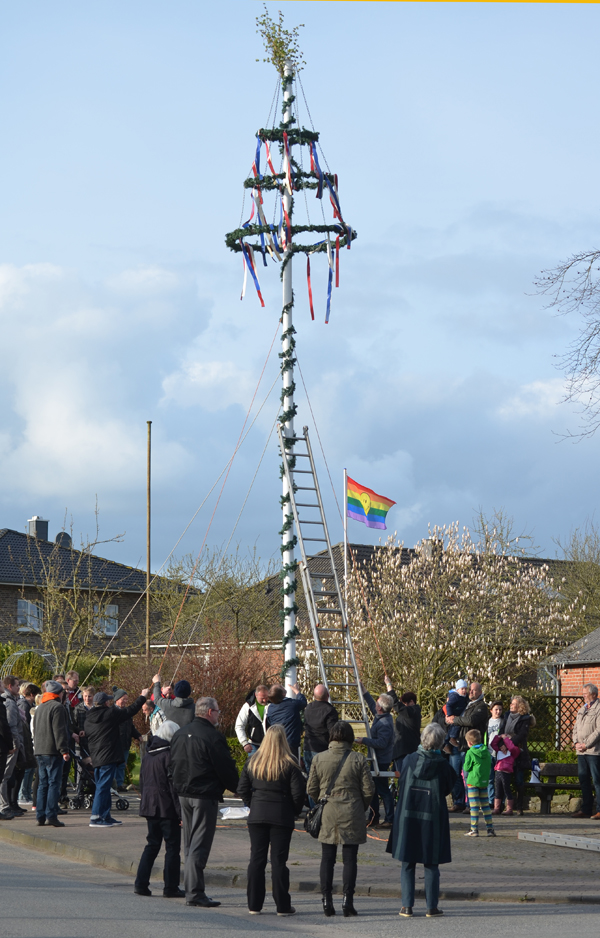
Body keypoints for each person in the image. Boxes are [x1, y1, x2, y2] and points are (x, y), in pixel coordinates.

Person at [170, 696, 239, 908]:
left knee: (190, 844)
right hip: (203, 795)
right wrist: (240, 789)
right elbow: (225, 768)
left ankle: (193, 890)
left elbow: (172, 765)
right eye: (217, 711)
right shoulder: (212, 737)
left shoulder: (179, 734)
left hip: (184, 793)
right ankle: (195, 892)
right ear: (209, 712)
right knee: (199, 844)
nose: (218, 715)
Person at [387, 722, 457, 918]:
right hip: (432, 816)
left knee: (407, 862)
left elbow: (401, 783)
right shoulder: (443, 765)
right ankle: (431, 907)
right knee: (431, 862)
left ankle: (406, 906)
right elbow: (448, 788)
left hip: (408, 815)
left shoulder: (409, 759)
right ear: (441, 742)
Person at [307, 720, 375, 918]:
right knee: (350, 859)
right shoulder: (358, 759)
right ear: (350, 737)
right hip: (352, 810)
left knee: (327, 858)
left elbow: (311, 788)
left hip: (327, 810)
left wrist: (320, 801)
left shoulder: (319, 758)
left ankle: (326, 900)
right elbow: (369, 789)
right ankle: (348, 901)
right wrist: (360, 806)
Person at [237, 724, 306, 916]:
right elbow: (298, 793)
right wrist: (293, 811)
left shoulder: (254, 761)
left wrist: (252, 804)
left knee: (256, 860)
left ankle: (254, 904)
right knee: (278, 861)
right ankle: (282, 905)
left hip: (258, 814)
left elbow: (242, 788)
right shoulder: (290, 762)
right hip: (281, 815)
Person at [85, 686, 148, 828]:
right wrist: (142, 697)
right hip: (107, 756)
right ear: (106, 703)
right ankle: (96, 816)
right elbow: (130, 711)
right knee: (103, 786)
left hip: (97, 756)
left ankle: (105, 815)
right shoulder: (110, 714)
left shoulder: (90, 717)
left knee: (104, 786)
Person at [134, 720, 184, 898]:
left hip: (150, 806)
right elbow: (174, 787)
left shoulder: (148, 755)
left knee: (152, 844)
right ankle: (170, 886)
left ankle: (141, 883)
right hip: (167, 807)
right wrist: (181, 813)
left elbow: (142, 781)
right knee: (172, 848)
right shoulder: (169, 756)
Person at [445, 681, 489, 812]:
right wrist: (448, 719)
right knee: (454, 774)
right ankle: (458, 802)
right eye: (470, 689)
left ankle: (471, 804)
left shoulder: (481, 706)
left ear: (480, 692)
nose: (470, 692)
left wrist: (455, 719)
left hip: (470, 747)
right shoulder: (466, 703)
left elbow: (471, 721)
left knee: (468, 775)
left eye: (474, 690)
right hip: (459, 744)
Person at [33, 680, 70, 827]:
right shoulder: (57, 708)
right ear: (58, 694)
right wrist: (64, 750)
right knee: (54, 783)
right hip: (52, 751)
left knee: (43, 783)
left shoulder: (40, 707)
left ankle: (40, 816)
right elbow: (59, 731)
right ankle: (51, 815)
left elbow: (35, 730)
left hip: (40, 750)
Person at [356, 686, 394, 829]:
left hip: (381, 760)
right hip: (377, 758)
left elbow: (382, 743)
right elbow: (373, 705)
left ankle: (388, 818)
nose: (375, 705)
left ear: (380, 709)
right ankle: (374, 817)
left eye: (378, 703)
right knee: (375, 789)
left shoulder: (384, 723)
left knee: (382, 789)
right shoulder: (382, 716)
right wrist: (365, 692)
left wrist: (364, 740)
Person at [498, 695, 535, 815]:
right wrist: (501, 744)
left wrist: (509, 742)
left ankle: (519, 807)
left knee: (519, 781)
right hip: (506, 752)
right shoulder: (507, 715)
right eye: (511, 703)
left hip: (518, 752)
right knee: (504, 780)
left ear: (520, 706)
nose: (511, 705)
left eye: (513, 704)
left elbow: (522, 735)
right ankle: (504, 806)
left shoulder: (525, 718)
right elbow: (501, 731)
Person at [572, 683, 600, 820]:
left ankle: (599, 810)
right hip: (581, 752)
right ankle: (586, 809)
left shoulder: (599, 708)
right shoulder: (582, 709)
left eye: (585, 694)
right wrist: (576, 742)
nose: (583, 696)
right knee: (584, 780)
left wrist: (586, 744)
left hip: (594, 751)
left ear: (594, 694)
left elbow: (598, 731)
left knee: (597, 780)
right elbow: (575, 728)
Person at [384, 677, 421, 776]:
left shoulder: (412, 712)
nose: (404, 706)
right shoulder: (410, 713)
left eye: (405, 703)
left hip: (405, 752)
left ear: (412, 702)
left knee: (404, 777)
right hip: (402, 751)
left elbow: (396, 704)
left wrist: (389, 685)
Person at [303, 685, 338, 787]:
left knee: (311, 781)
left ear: (314, 696)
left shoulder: (308, 708)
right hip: (322, 749)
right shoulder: (330, 710)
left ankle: (313, 802)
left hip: (308, 747)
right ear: (327, 695)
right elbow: (333, 731)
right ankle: (320, 803)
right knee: (324, 782)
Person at [0, 676, 25, 819]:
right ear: (10, 686)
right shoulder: (8, 703)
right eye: (16, 685)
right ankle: (4, 806)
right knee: (4, 776)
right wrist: (15, 744)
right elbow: (9, 725)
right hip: (9, 745)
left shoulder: (9, 701)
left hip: (10, 743)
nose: (18, 688)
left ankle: (7, 804)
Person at [463, 728, 495, 837]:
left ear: (470, 742)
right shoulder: (486, 751)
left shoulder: (470, 752)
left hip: (473, 781)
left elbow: (466, 767)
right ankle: (490, 829)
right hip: (484, 782)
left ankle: (474, 829)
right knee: (485, 806)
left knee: (474, 806)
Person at [112, 688, 142, 792]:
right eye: (123, 699)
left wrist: (138, 735)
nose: (125, 701)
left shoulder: (126, 713)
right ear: (117, 699)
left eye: (126, 700)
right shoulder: (113, 711)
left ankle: (119, 784)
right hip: (115, 744)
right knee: (114, 765)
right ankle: (113, 785)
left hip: (125, 743)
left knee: (122, 765)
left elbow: (131, 727)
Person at [265, 683, 307, 754]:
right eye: (282, 687)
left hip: (276, 743)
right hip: (291, 743)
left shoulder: (270, 708)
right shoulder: (292, 704)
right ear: (283, 694)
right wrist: (297, 692)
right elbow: (303, 702)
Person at [235, 685, 270, 757]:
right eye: (262, 698)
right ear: (256, 695)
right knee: (253, 767)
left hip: (270, 744)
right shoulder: (248, 706)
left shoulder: (272, 705)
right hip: (254, 744)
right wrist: (245, 743)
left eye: (266, 698)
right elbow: (239, 725)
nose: (264, 700)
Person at [491, 733, 520, 815]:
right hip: (498, 772)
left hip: (506, 773)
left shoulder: (513, 752)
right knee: (498, 790)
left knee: (507, 790)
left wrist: (506, 739)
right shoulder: (499, 751)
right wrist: (499, 737)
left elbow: (511, 747)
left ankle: (509, 809)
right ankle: (497, 808)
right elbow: (493, 744)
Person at [441, 681, 469, 753]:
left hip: (457, 714)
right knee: (454, 727)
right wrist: (450, 715)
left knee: (452, 728)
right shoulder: (455, 696)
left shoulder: (464, 697)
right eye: (462, 689)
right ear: (457, 690)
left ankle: (447, 743)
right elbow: (448, 705)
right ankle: (451, 739)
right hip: (454, 715)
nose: (464, 691)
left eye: (465, 689)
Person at [486, 701, 503, 807]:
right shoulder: (487, 722)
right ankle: (491, 800)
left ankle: (499, 801)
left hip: (499, 753)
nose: (498, 712)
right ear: (491, 710)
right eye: (496, 709)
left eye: (500, 709)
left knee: (500, 779)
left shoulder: (502, 722)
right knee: (489, 778)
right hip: (488, 752)